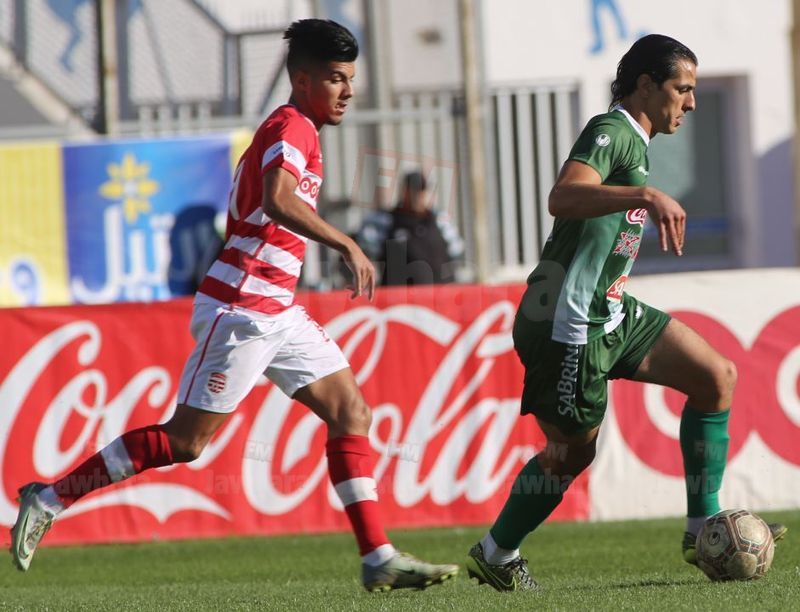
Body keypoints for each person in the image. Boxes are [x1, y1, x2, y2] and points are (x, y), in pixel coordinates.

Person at [11, 18, 458, 593]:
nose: (348, 91)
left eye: (350, 78)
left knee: (351, 413)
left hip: (276, 306)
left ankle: (378, 557)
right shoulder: (292, 126)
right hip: (244, 306)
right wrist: (345, 242)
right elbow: (277, 199)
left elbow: (263, 207)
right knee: (185, 442)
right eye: (337, 79)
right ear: (302, 80)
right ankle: (49, 498)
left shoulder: (297, 128)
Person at [465, 34, 787, 592]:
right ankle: (496, 552)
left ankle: (700, 529)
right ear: (645, 85)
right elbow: (563, 196)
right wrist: (646, 196)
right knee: (571, 454)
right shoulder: (611, 130)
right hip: (567, 322)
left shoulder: (636, 142)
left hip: (610, 311)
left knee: (715, 377)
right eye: (682, 89)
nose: (691, 103)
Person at [356, 170, 464, 285]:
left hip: (442, 292)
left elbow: (457, 251)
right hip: (400, 295)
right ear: (404, 191)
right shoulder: (384, 221)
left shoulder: (441, 221)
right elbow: (366, 253)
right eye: (413, 191)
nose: (418, 196)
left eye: (421, 191)